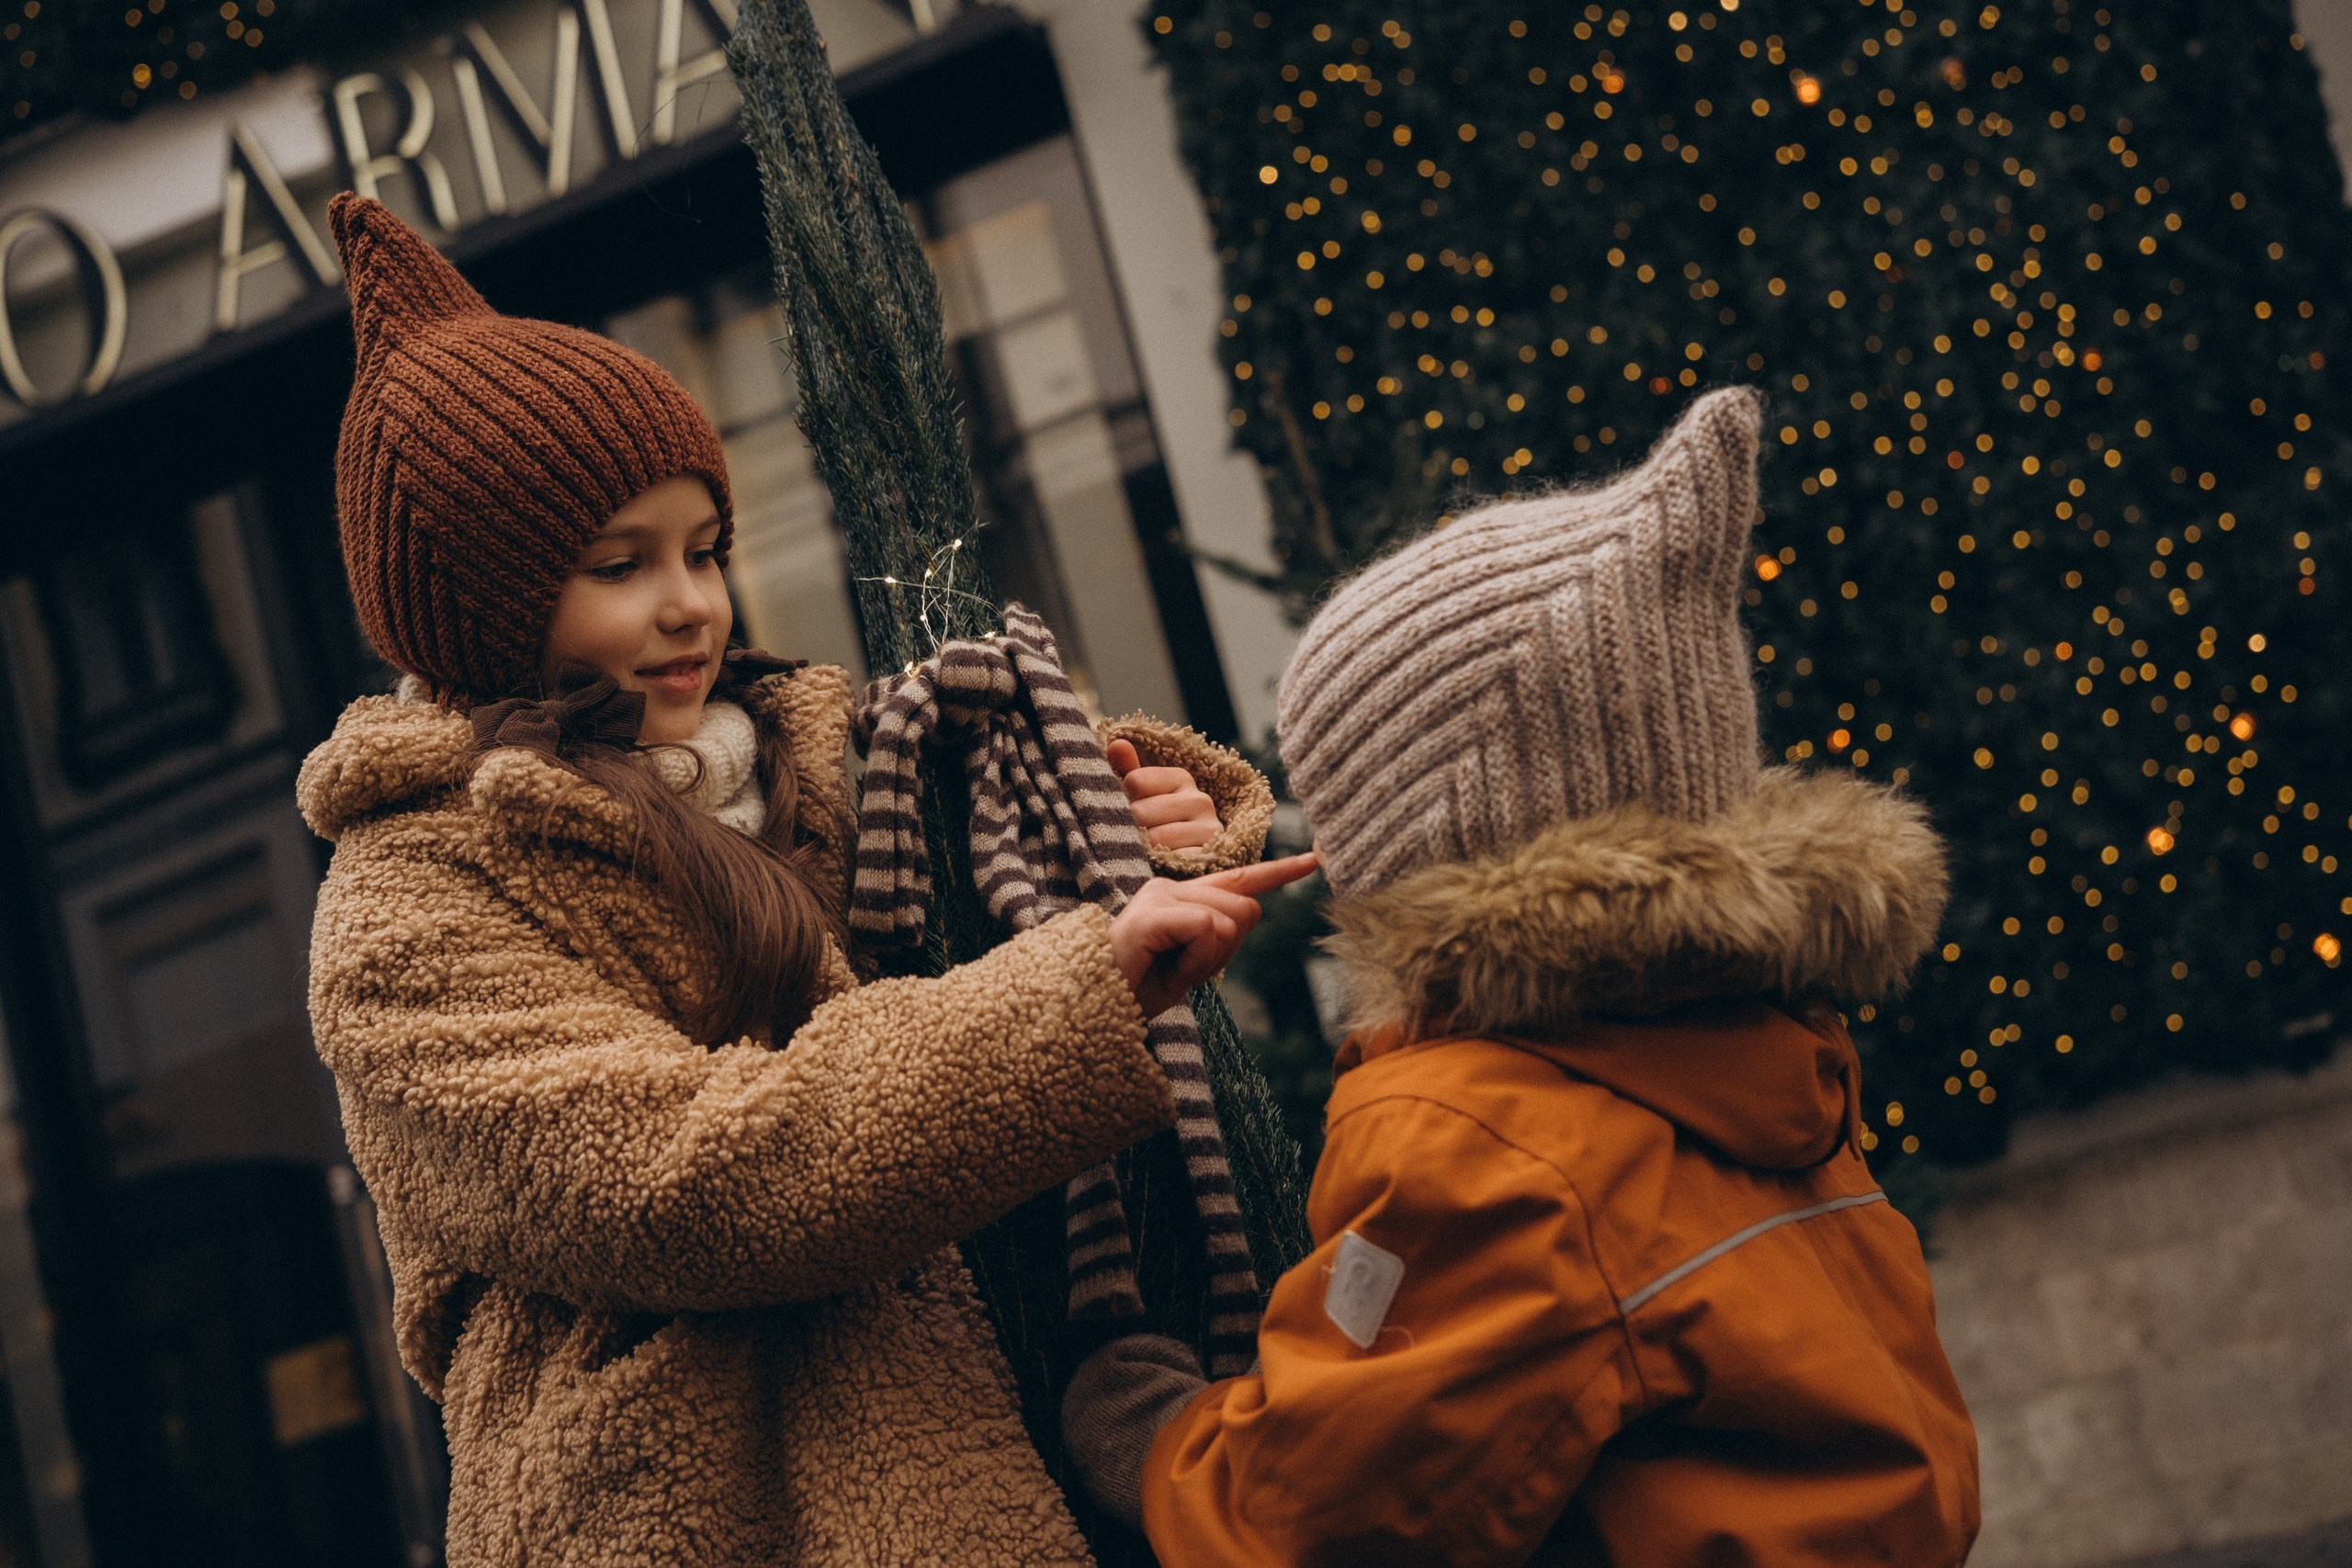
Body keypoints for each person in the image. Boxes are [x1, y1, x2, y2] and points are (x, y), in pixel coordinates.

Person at [299, 193, 1315, 1568]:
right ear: (477, 606)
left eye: (704, 547)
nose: (691, 603)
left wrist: (1145, 821)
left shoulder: (822, 759)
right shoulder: (408, 908)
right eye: (621, 564)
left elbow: (1017, 904)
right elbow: (683, 1175)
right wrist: (1083, 980)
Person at [1060, 387, 1981, 1565]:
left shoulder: (1488, 1150)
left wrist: (1146, 1433)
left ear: (1426, 843)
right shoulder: (1745, 1048)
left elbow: (1318, 1516)